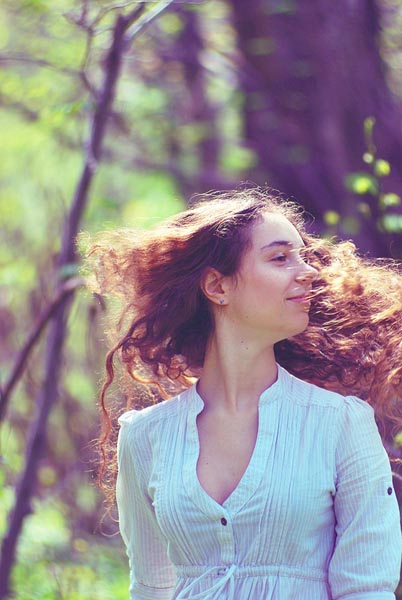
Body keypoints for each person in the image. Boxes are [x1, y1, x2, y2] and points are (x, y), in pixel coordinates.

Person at [82, 188, 402, 599]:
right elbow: (150, 589)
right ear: (217, 285)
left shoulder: (342, 424)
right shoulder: (145, 436)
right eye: (281, 258)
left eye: (304, 257)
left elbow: (366, 590)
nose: (308, 272)